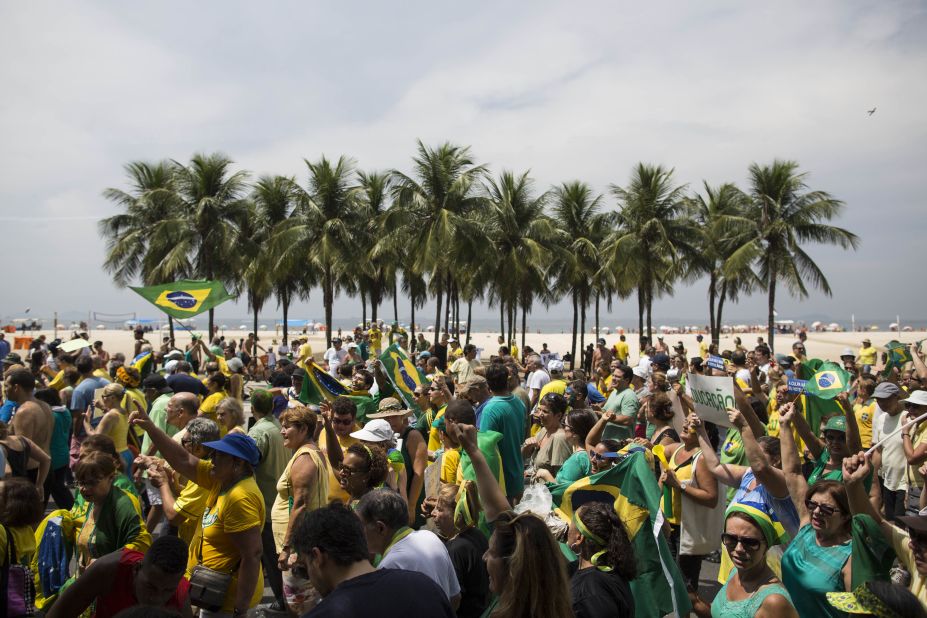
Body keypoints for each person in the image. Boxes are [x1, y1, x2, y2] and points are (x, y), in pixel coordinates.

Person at [130, 407, 266, 616]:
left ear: (237, 463)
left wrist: (240, 607)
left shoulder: (241, 497)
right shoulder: (220, 479)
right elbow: (183, 460)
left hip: (227, 601)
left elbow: (252, 554)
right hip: (210, 592)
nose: (211, 459)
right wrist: (149, 426)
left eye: (218, 456)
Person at [447, 421, 573, 618]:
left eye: (492, 552)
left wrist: (474, 452)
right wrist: (474, 452)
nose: (484, 557)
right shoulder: (551, 601)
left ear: (514, 568)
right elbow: (498, 510)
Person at [290, 503, 454, 617]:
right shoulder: (424, 586)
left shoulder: (325, 613)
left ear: (317, 557)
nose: (309, 576)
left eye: (306, 565)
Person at [778, 403, 854, 617]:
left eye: (827, 509)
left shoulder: (850, 558)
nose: (817, 512)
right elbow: (792, 472)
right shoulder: (806, 527)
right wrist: (784, 425)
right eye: (812, 505)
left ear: (847, 514)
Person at [842, 451, 927, 606]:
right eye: (913, 534)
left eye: (923, 539)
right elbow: (876, 523)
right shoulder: (918, 562)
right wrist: (853, 485)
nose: (911, 544)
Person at [356, 489, 461, 606]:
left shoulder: (388, 567)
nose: (357, 533)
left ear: (380, 528)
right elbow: (455, 597)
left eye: (360, 526)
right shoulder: (430, 537)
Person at [660, 414, 722, 614]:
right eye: (685, 421)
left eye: (693, 424)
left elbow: (711, 498)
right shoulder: (677, 448)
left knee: (687, 592)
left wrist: (678, 485)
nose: (685, 424)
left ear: (705, 432)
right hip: (667, 526)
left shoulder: (702, 458)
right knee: (670, 584)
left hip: (686, 532)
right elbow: (657, 449)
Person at [47, 535, 193, 618]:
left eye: (167, 591)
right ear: (136, 569)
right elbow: (57, 614)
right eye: (150, 587)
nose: (156, 598)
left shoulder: (180, 596)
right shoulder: (108, 570)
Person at [273, 404, 329, 614]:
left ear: (304, 429)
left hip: (298, 547)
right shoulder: (308, 452)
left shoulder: (305, 458)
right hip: (303, 542)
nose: (282, 431)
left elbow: (300, 504)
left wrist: (287, 547)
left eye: (287, 427)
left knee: (299, 607)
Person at [73, 450, 152, 574]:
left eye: (92, 483)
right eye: (81, 483)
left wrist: (104, 562)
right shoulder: (91, 502)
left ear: (111, 477)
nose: (84, 489)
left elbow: (141, 543)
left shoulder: (122, 504)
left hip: (113, 584)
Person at [244, 389, 288, 609]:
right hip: (279, 502)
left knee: (273, 561)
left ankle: (283, 603)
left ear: (252, 409)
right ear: (272, 407)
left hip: (267, 506)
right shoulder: (279, 427)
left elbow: (246, 464)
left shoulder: (258, 433)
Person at [710, 507, 797, 617]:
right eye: (731, 539)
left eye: (750, 542)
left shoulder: (774, 601)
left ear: (767, 545)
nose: (739, 549)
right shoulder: (734, 573)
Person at [147, 418, 219, 545]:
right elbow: (192, 498)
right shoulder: (208, 467)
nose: (181, 446)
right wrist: (173, 484)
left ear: (198, 448)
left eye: (185, 442)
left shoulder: (206, 474)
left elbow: (173, 517)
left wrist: (163, 484)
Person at [364, 397, 428, 526]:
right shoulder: (379, 439)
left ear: (401, 417)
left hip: (411, 495)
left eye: (393, 416)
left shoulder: (413, 435)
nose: (389, 420)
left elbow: (419, 474)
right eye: (385, 418)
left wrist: (410, 506)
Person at [429, 483, 490, 618]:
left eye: (439, 510)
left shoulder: (455, 550)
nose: (433, 513)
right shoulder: (476, 533)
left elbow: (455, 598)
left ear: (458, 515)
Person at [568, 502, 637, 618]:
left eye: (572, 521)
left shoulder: (592, 590)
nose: (568, 525)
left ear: (579, 538)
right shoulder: (609, 566)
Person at [479, 363, 526, 503]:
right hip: (517, 476)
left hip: (500, 481)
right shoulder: (518, 403)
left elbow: (486, 449)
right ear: (507, 380)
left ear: (488, 384)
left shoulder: (490, 409)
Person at [5, 367, 54, 485]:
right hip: (45, 468)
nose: (5, 390)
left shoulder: (25, 411)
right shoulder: (45, 406)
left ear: (16, 387)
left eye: (7, 386)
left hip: (29, 474)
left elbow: (20, 451)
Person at [34, 387, 75, 509]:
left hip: (52, 456)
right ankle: (71, 509)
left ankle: (71, 509)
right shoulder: (65, 412)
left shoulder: (50, 416)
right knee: (58, 486)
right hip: (63, 453)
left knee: (55, 487)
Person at [83, 382, 135, 475]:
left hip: (115, 457)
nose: (102, 398)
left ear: (112, 398)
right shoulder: (124, 411)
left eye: (103, 396)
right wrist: (103, 407)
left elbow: (96, 438)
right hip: (126, 453)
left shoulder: (110, 416)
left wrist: (86, 422)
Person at [318, 397, 361, 504]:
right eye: (336, 421)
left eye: (346, 422)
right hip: (323, 500)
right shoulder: (325, 431)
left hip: (347, 503)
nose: (340, 426)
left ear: (354, 419)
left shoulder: (361, 439)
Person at [522, 392, 572, 479]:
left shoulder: (560, 438)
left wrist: (545, 475)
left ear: (558, 415)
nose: (540, 414)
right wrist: (528, 445)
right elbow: (525, 455)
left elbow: (561, 480)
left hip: (547, 492)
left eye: (545, 411)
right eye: (539, 409)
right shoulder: (544, 430)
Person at [0, 420, 50, 492]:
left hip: (10, 492)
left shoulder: (1, 446)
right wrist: (39, 485)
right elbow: (46, 460)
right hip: (26, 486)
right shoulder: (22, 439)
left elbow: (7, 473)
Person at [339, 442, 389, 508]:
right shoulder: (355, 497)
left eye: (347, 470)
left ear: (367, 476)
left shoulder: (367, 509)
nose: (341, 473)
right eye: (341, 467)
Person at [602, 365, 639, 441]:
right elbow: (605, 411)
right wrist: (597, 410)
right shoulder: (614, 391)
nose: (613, 378)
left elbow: (627, 420)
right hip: (607, 440)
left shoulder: (629, 396)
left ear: (627, 380)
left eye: (618, 377)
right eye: (613, 375)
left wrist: (606, 417)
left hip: (619, 444)